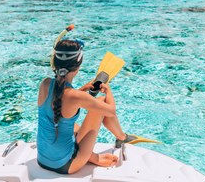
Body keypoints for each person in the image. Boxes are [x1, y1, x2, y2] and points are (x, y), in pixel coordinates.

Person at [36, 39, 134, 174]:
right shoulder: (76, 97)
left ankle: (94, 155)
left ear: (55, 63)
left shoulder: (45, 84)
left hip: (42, 160)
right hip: (66, 165)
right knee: (102, 100)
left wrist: (82, 91)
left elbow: (62, 103)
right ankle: (122, 138)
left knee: (65, 125)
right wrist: (108, 90)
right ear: (77, 67)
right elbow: (111, 111)